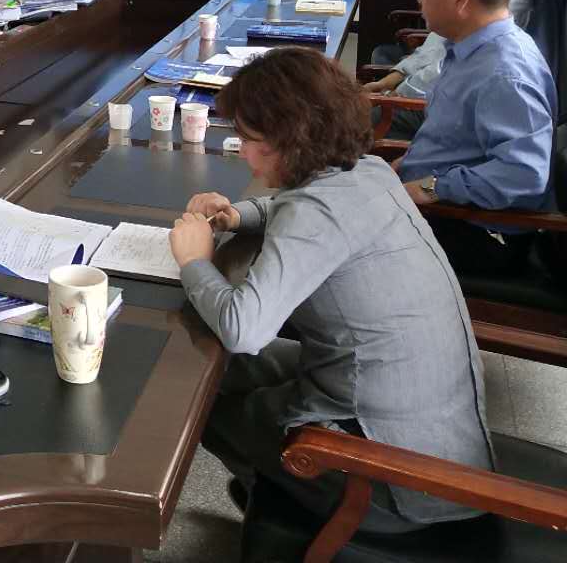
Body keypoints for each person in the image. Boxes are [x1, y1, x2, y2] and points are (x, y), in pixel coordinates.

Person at [169, 47, 492, 533]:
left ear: (294, 139)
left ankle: (292, 504)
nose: (243, 153)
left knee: (203, 402)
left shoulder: (315, 211)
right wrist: (238, 215)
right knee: (228, 369)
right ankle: (274, 487)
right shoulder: (369, 171)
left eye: (252, 141)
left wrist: (195, 261)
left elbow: (244, 329)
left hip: (394, 477)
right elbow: (292, 209)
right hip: (432, 430)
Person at [397, 0, 556, 275]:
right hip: (441, 203)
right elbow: (455, 141)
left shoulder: (505, 73)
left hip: (479, 230)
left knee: (338, 238)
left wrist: (430, 187)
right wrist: (407, 165)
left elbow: (524, 174)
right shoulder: (470, 50)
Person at [363, 0, 529, 137]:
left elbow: (518, 161)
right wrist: (392, 81)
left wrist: (394, 95)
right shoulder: (469, 28)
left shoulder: (508, 73)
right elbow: (435, 51)